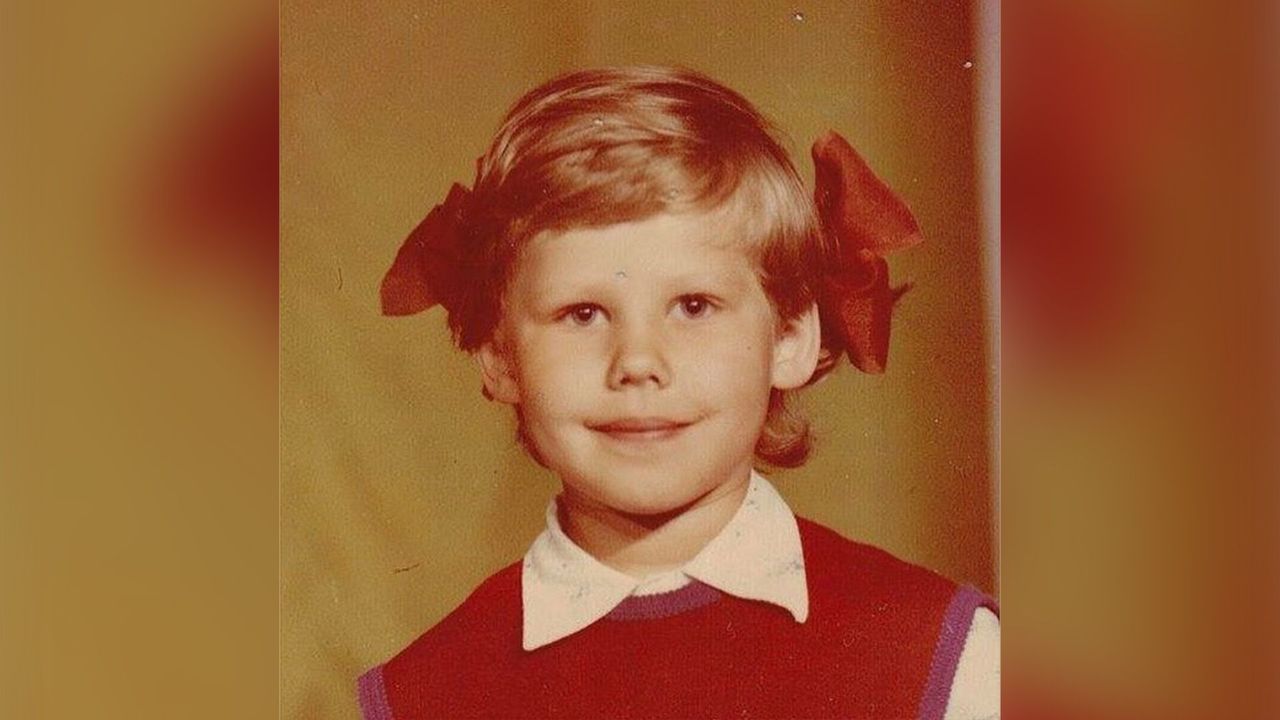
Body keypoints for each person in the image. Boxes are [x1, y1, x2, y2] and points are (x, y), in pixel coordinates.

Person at [361, 65, 999, 719]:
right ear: (499, 357)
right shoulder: (422, 696)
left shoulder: (941, 657)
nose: (638, 362)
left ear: (788, 337)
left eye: (693, 306)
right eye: (583, 313)